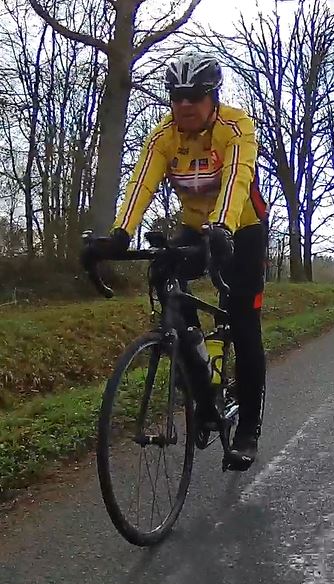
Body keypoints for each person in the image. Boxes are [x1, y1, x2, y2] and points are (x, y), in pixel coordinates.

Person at [85, 53, 268, 470]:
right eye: (177, 96)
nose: (185, 105)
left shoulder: (235, 127)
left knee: (244, 323)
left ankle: (247, 429)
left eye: (195, 96)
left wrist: (223, 226)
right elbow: (141, 184)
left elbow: (238, 176)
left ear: (213, 97)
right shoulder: (163, 136)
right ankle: (198, 369)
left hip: (242, 228)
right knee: (164, 277)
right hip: (195, 228)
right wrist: (120, 234)